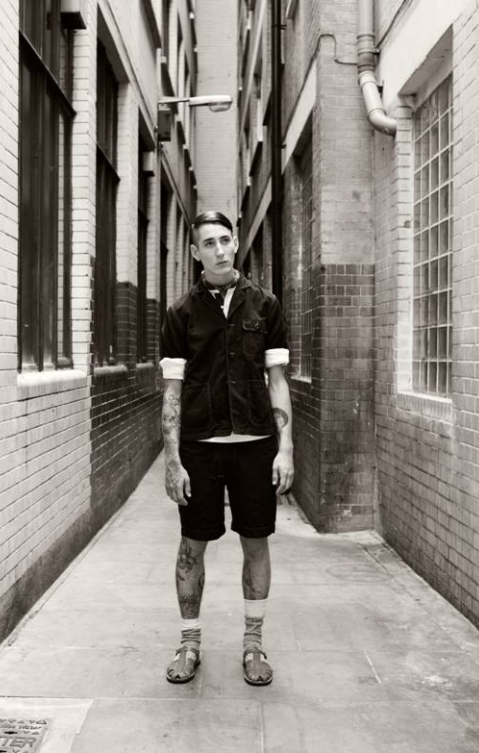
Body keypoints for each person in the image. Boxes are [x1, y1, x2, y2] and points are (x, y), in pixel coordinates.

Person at [159, 210, 294, 686]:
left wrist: (285, 448)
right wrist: (173, 460)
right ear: (195, 252)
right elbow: (172, 393)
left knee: (255, 542)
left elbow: (277, 381)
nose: (218, 250)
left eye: (224, 240)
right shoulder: (180, 313)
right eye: (208, 244)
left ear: (235, 243)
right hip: (200, 447)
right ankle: (189, 643)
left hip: (256, 446)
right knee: (190, 547)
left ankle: (253, 645)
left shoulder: (265, 305)